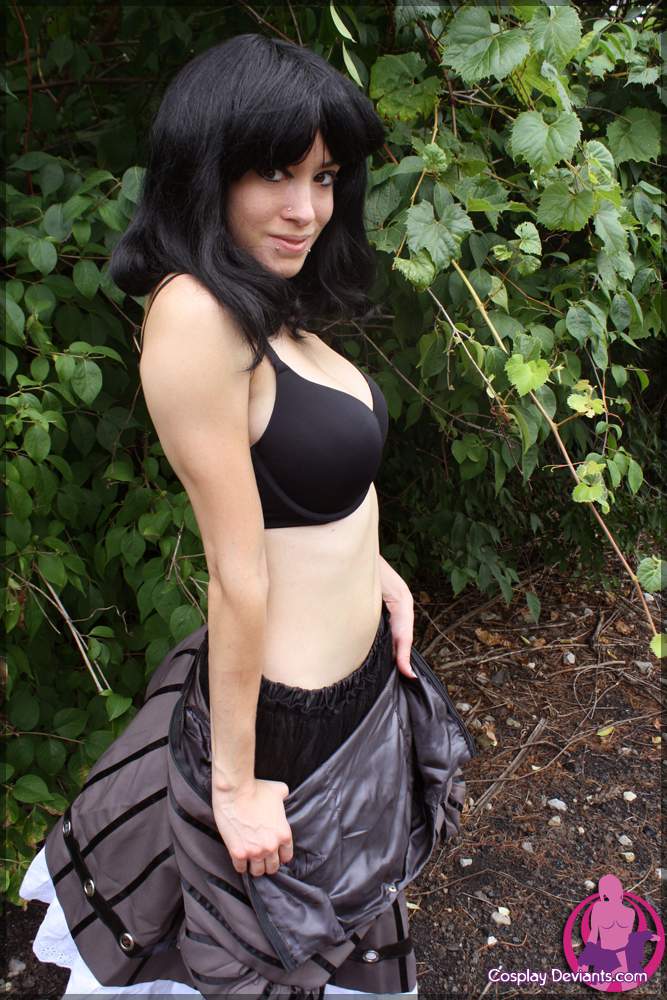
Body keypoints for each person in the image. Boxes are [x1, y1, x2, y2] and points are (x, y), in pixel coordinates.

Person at [19, 33, 475, 998]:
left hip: (355, 706)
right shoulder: (196, 313)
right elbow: (235, 570)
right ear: (207, 168)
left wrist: (374, 569)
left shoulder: (271, 310)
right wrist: (233, 787)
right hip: (281, 738)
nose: (306, 207)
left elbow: (304, 495)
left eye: (324, 176)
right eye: (275, 172)